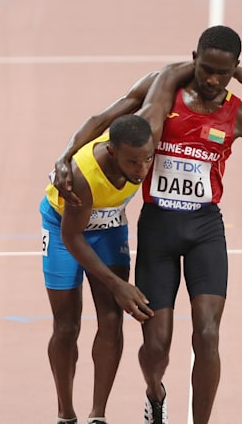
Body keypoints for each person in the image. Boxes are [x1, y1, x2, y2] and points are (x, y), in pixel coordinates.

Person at [53, 25, 242, 424]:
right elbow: (104, 117)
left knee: (208, 334)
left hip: (205, 229)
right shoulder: (161, 92)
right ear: (194, 59)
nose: (213, 80)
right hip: (158, 229)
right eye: (206, 69)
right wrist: (65, 156)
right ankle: (155, 393)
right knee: (156, 348)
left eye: (224, 72)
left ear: (235, 69)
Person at [41, 114, 156, 424]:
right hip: (63, 229)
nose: (141, 170)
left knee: (111, 319)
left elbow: (124, 102)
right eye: (132, 163)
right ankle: (66, 414)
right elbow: (72, 237)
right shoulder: (82, 177)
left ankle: (98, 416)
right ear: (112, 151)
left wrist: (235, 77)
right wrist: (117, 285)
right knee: (67, 325)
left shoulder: (146, 138)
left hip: (109, 227)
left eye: (147, 159)